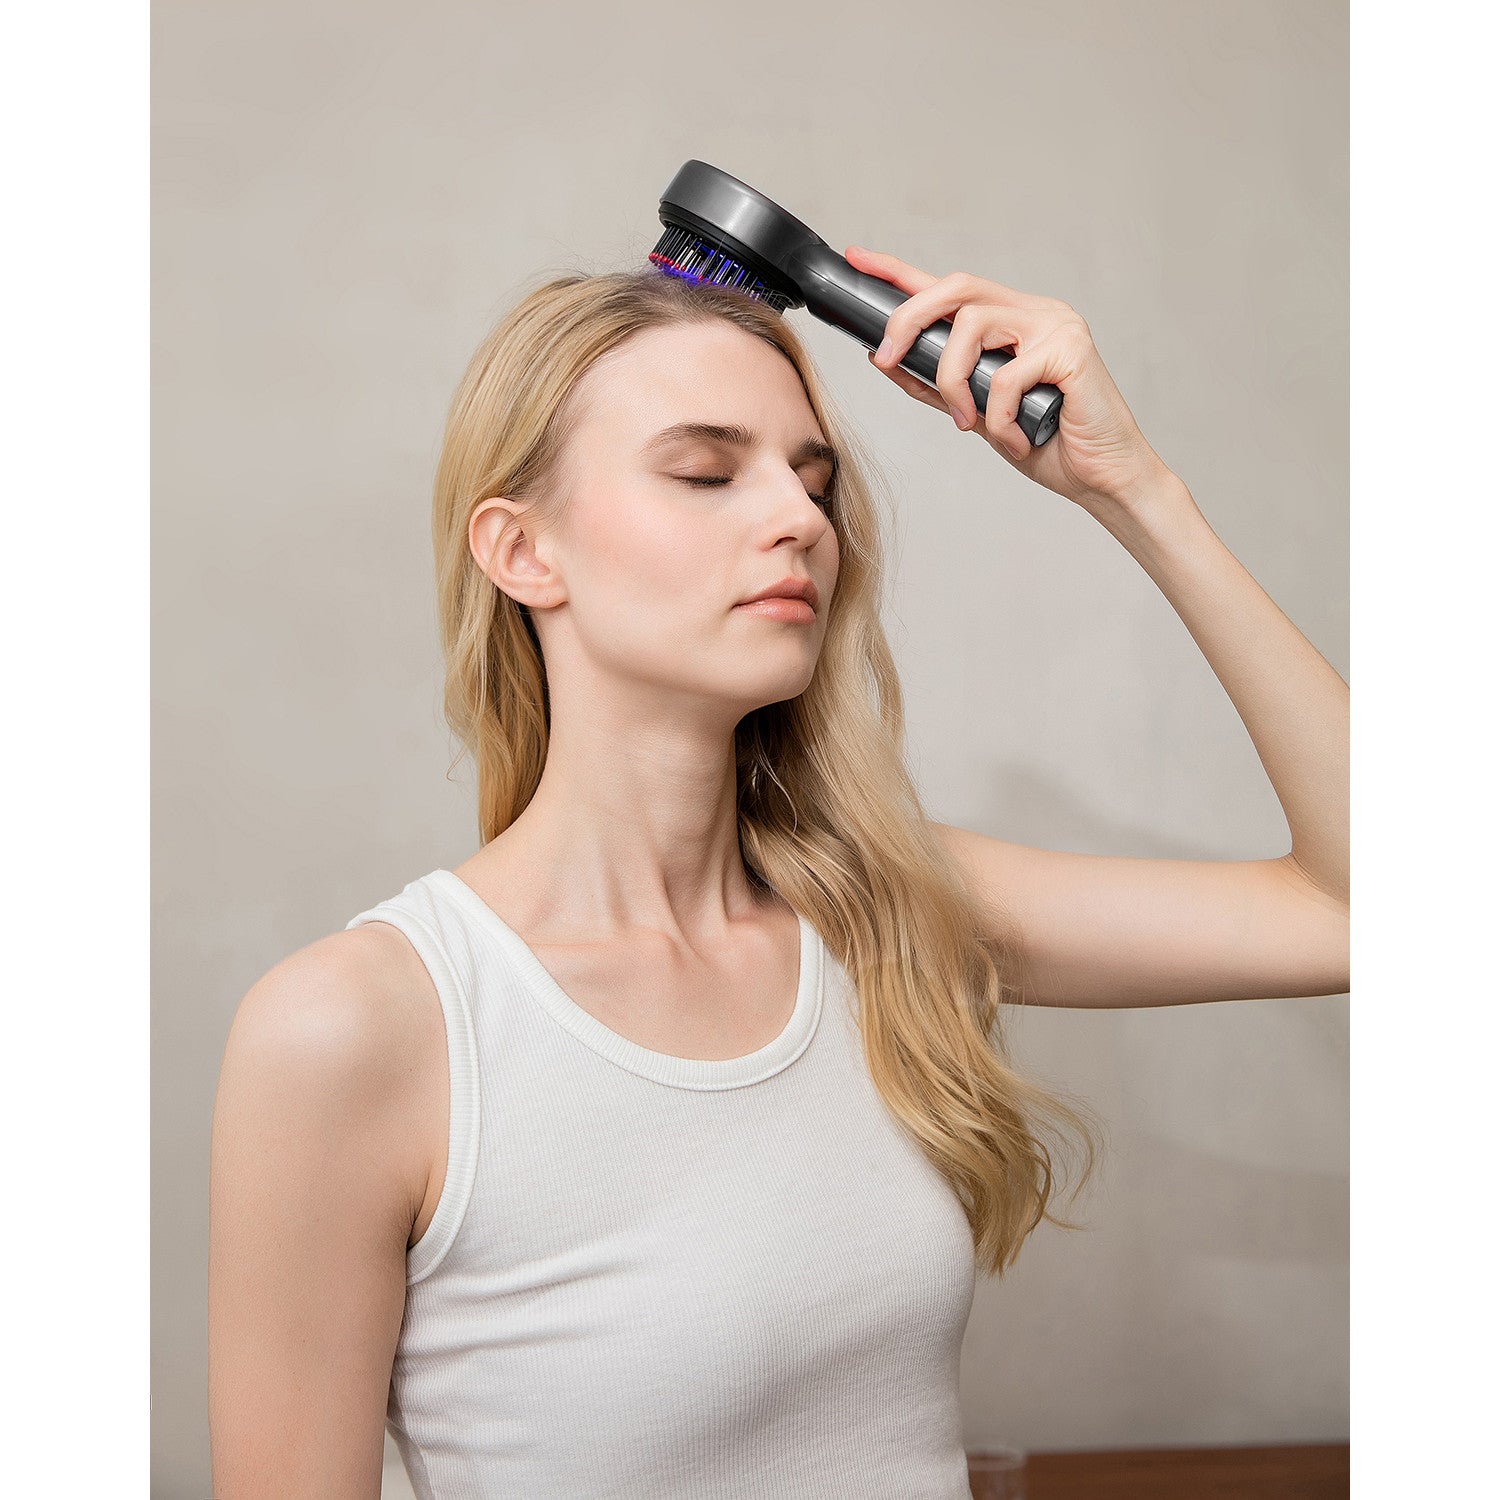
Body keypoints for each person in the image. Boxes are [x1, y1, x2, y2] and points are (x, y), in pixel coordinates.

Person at [207, 249, 1349, 1499]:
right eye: (706, 473)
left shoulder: (891, 912)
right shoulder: (363, 1029)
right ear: (522, 551)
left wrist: (1137, 491)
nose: (801, 520)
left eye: (813, 480)